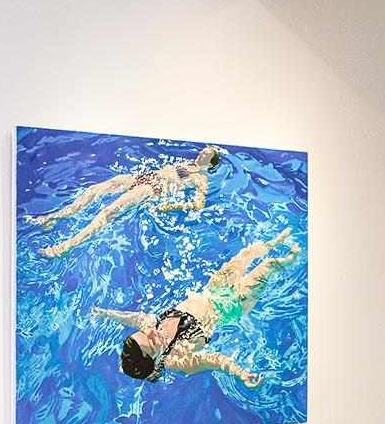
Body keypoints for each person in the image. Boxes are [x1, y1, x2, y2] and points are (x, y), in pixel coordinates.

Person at [91, 228, 300, 385]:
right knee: (267, 266)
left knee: (245, 255)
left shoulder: (152, 328)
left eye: (145, 333)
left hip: (214, 288)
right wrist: (240, 373)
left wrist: (106, 314)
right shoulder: (178, 360)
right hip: (233, 305)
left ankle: (275, 241)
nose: (153, 333)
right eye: (153, 344)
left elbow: (134, 318)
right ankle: (294, 257)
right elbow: (214, 361)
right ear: (156, 362)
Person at [29, 145, 222, 257]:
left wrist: (169, 206)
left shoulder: (201, 179)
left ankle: (65, 247)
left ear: (211, 162)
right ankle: (53, 217)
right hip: (144, 176)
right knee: (94, 190)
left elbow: (199, 204)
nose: (200, 153)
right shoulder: (188, 164)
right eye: (202, 151)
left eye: (206, 154)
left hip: (150, 189)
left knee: (107, 213)